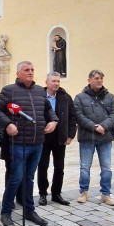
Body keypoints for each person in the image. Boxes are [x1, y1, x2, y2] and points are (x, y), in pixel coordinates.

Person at [0, 61, 58, 226]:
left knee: (29, 179)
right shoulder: (9, 90)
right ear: (18, 74)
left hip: (37, 142)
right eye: (26, 70)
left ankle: (29, 210)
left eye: (32, 69)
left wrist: (54, 120)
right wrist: (8, 124)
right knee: (16, 178)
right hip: (19, 143)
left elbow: (48, 110)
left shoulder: (40, 91)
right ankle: (6, 212)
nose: (30, 72)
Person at [74, 69, 114, 206]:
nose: (99, 81)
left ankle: (106, 194)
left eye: (101, 78)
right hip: (87, 137)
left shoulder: (110, 96)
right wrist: (94, 126)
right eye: (96, 78)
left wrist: (104, 126)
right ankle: (83, 192)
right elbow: (78, 115)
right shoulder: (79, 97)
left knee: (106, 167)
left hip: (105, 137)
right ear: (89, 80)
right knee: (84, 167)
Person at [37, 72, 77, 206]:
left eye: (58, 81)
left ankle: (56, 193)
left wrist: (71, 135)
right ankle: (43, 193)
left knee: (59, 167)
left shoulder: (65, 97)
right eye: (53, 81)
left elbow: (73, 117)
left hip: (60, 137)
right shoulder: (39, 96)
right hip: (43, 136)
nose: (56, 84)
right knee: (42, 166)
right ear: (47, 82)